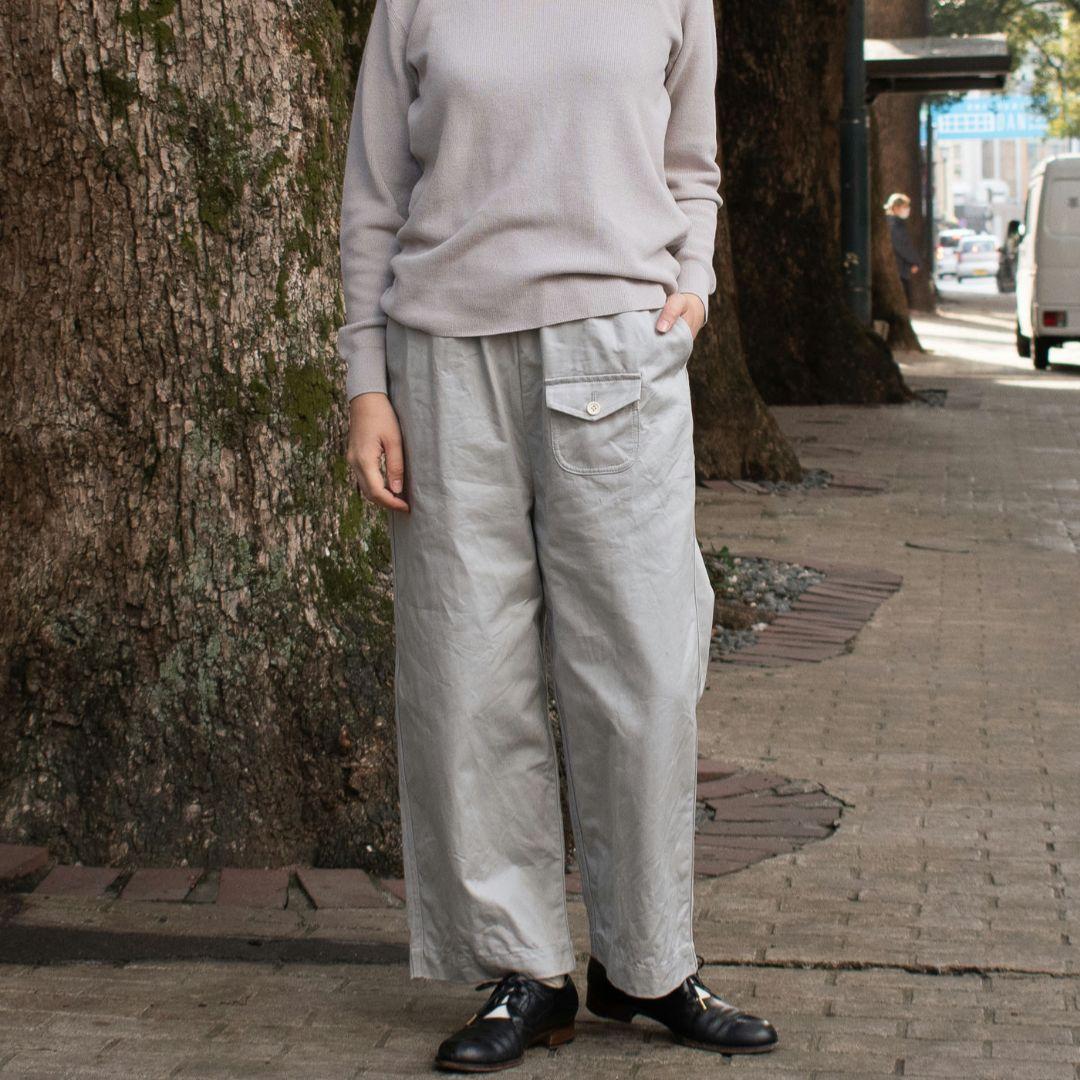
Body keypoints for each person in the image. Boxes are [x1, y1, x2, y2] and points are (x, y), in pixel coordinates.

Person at [337, 1, 779, 1071]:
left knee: (642, 667)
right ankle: (523, 971)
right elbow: (373, 196)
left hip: (618, 351)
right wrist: (366, 381)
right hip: (443, 360)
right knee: (467, 670)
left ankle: (649, 965)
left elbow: (693, 165)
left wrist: (693, 286)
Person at [885, 193, 922, 308]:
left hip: (900, 267)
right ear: (896, 208)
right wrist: (915, 261)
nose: (907, 210)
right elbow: (902, 246)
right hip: (899, 268)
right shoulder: (894, 225)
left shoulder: (894, 223)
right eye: (904, 207)